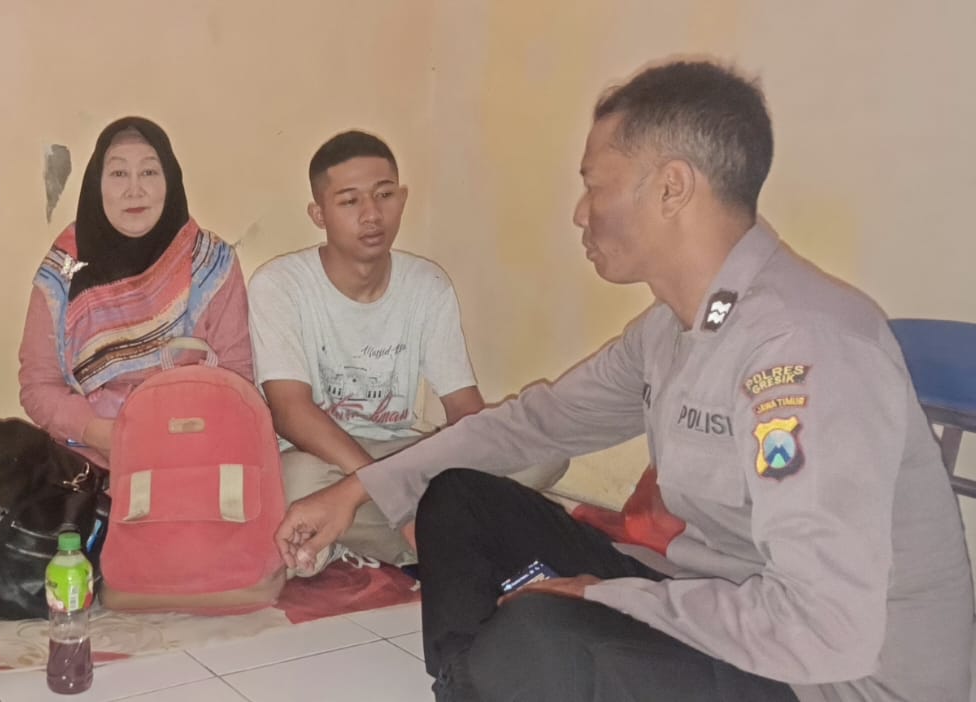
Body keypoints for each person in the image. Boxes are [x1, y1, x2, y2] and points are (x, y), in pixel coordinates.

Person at [273, 60, 974, 701]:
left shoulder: (804, 349)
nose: (581, 211)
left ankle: (496, 677)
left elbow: (820, 628)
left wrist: (603, 597)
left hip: (831, 678)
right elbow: (532, 424)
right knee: (459, 497)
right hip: (712, 601)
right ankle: (468, 688)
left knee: (541, 640)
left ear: (672, 187)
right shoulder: (676, 327)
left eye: (594, 184)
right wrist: (357, 490)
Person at [247, 130, 484, 573]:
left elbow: (465, 408)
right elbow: (290, 412)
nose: (372, 214)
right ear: (318, 214)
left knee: (540, 456)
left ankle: (366, 533)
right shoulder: (280, 285)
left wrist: (414, 474)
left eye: (385, 195)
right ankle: (441, 535)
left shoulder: (427, 285)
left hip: (402, 454)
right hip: (322, 457)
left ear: (403, 199)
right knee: (294, 481)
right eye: (350, 201)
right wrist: (393, 493)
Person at [19, 116, 252, 466]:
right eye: (118, 173)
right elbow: (39, 385)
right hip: (91, 464)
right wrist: (98, 432)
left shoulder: (210, 262)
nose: (134, 190)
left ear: (169, 181)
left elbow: (238, 378)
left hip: (194, 455)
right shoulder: (65, 268)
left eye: (149, 172)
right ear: (96, 185)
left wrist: (176, 437)